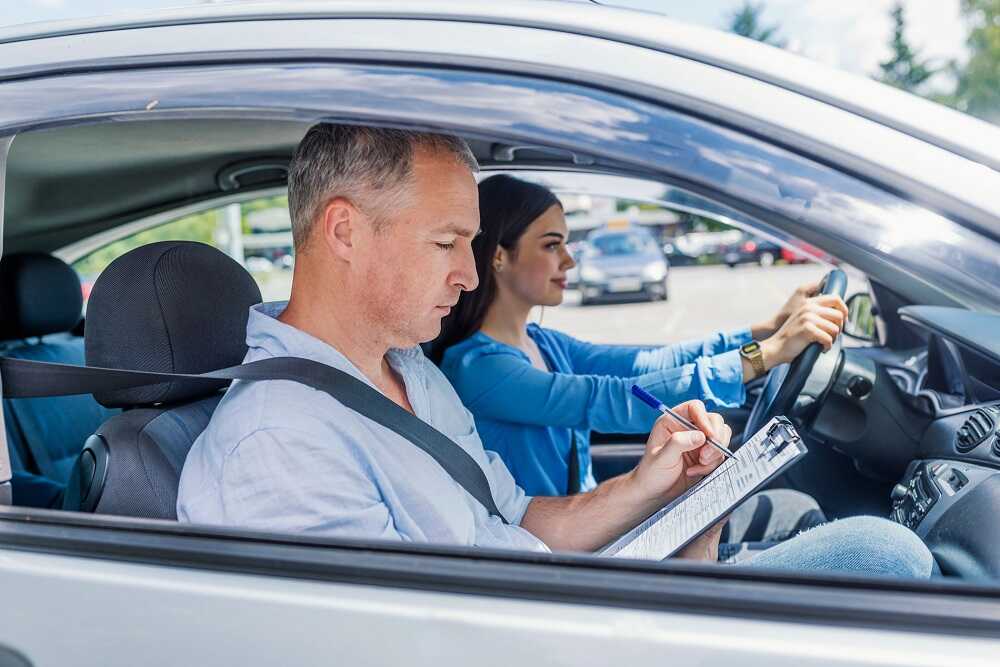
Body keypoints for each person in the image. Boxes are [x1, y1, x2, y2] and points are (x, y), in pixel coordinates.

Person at [177, 124, 932, 578]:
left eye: (471, 245)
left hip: (565, 608)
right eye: (446, 244)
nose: (469, 275)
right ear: (343, 232)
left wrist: (654, 486)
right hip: (564, 629)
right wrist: (675, 583)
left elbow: (522, 521)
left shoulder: (409, 373)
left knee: (878, 554)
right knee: (884, 559)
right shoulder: (278, 445)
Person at [432, 175, 848, 500]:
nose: (570, 260)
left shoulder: (542, 342)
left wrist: (768, 331)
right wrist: (767, 356)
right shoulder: (481, 368)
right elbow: (609, 400)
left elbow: (651, 363)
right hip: (551, 553)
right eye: (551, 245)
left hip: (587, 522)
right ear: (500, 256)